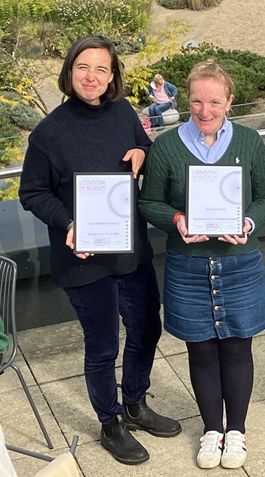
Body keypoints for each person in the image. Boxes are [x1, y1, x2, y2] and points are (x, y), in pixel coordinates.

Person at [19, 35, 181, 465]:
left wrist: (142, 151)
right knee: (103, 344)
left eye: (101, 70)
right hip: (83, 257)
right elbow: (32, 193)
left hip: (130, 250)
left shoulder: (123, 112)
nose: (92, 77)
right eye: (83, 67)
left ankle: (135, 402)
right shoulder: (48, 133)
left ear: (112, 77)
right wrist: (70, 224)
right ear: (70, 71)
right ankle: (110, 421)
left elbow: (142, 147)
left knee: (147, 329)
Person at [138, 61, 265, 470]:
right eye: (197, 101)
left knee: (237, 347)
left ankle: (236, 430)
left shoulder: (250, 142)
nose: (204, 110)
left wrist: (249, 222)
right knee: (199, 350)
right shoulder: (166, 146)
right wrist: (177, 220)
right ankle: (211, 430)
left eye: (214, 101)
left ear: (229, 101)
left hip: (239, 261)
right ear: (186, 101)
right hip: (188, 265)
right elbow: (149, 202)